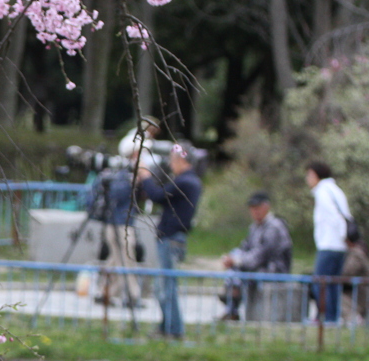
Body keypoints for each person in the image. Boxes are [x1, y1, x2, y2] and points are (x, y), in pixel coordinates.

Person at [137, 145, 203, 339]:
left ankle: (174, 330)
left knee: (168, 286)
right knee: (163, 286)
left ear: (182, 161)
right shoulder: (186, 181)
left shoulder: (186, 182)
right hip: (170, 238)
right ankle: (167, 327)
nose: (170, 163)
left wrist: (145, 175)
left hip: (172, 239)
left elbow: (158, 195)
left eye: (173, 159)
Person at [219, 191, 293, 320]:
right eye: (252, 209)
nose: (255, 212)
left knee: (237, 270)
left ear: (267, 207)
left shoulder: (274, 227)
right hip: (259, 266)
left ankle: (232, 304)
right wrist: (231, 258)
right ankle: (232, 307)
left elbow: (262, 254)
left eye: (258, 208)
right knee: (234, 269)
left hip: (274, 269)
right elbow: (244, 248)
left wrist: (238, 261)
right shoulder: (254, 227)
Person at [305, 161, 350, 323]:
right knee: (333, 284)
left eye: (310, 175)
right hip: (340, 246)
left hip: (329, 245)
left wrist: (340, 235)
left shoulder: (323, 191)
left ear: (317, 175)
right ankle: (330, 317)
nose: (307, 179)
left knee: (320, 283)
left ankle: (327, 319)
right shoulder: (336, 190)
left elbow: (334, 217)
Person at [91, 167, 142, 308]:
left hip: (122, 223)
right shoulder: (122, 177)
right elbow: (117, 196)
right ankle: (133, 295)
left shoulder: (124, 175)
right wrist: (131, 183)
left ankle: (105, 292)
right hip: (119, 224)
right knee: (127, 258)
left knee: (115, 259)